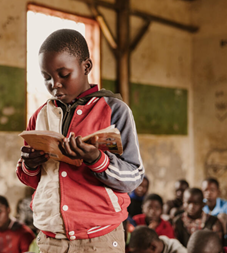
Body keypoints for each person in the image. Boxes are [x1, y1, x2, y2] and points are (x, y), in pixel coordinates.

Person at [16, 29, 144, 253]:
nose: (54, 84)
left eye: (63, 74)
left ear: (86, 67)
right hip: (50, 238)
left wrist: (96, 159)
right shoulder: (39, 117)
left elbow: (133, 177)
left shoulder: (114, 110)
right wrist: (30, 164)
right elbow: (30, 179)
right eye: (47, 77)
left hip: (99, 237)